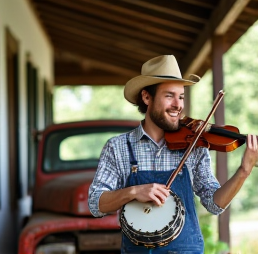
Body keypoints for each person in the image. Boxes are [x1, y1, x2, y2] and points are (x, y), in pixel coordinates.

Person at [88, 55, 258, 253]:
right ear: (146, 97)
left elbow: (213, 204)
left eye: (181, 96)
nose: (178, 104)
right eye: (169, 95)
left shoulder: (195, 145)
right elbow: (95, 203)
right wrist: (133, 192)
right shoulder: (118, 147)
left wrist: (244, 171)